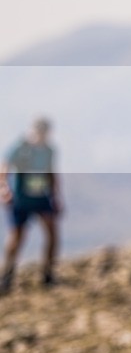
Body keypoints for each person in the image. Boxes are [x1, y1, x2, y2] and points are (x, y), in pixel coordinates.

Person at [1, 117, 63, 295]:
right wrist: (4, 188)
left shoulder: (49, 151)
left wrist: (56, 196)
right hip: (21, 198)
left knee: (52, 231)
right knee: (18, 235)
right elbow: (4, 167)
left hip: (41, 197)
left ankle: (48, 274)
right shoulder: (20, 147)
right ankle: (7, 275)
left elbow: (52, 173)